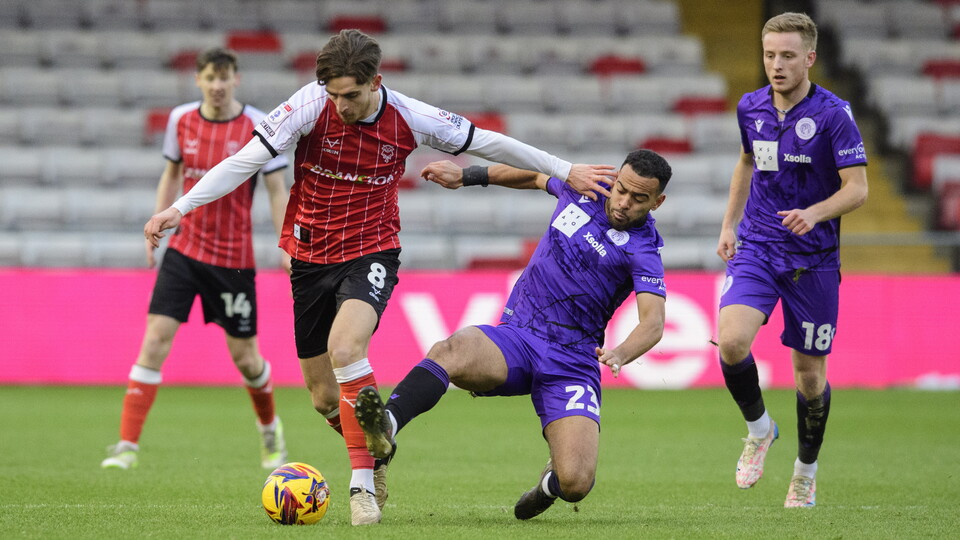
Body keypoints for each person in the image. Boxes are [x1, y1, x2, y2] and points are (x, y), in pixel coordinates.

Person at [143, 29, 615, 526]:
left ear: (376, 82)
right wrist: (179, 208)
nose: (341, 105)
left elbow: (490, 142)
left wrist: (567, 169)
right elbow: (246, 162)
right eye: (333, 95)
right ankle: (379, 449)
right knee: (324, 397)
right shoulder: (307, 105)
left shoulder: (411, 116)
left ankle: (362, 485)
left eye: (351, 95)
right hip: (308, 256)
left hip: (372, 250)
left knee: (347, 348)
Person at [353, 149, 671, 521]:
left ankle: (549, 485)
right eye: (621, 190)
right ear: (614, 179)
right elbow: (534, 175)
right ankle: (385, 432)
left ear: (658, 202)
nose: (623, 203)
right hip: (520, 336)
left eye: (639, 199)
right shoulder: (584, 190)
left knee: (576, 483)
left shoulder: (645, 250)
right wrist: (467, 175)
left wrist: (620, 353)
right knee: (449, 350)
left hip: (573, 362)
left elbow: (653, 323)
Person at [102, 48, 291, 472]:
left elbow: (278, 189)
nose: (218, 85)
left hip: (233, 260)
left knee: (245, 358)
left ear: (236, 79)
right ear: (199, 80)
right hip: (184, 251)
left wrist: (285, 244)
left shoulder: (259, 125)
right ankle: (127, 446)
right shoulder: (181, 120)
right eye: (210, 77)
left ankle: (269, 430)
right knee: (154, 341)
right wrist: (157, 225)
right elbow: (171, 174)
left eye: (225, 77)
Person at [714, 12, 868, 508]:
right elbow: (745, 161)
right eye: (769, 55)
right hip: (759, 245)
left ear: (809, 59)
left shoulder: (833, 114)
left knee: (809, 377)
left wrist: (815, 213)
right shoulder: (750, 107)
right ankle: (760, 430)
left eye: (786, 56)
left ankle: (805, 471)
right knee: (732, 341)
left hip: (814, 259)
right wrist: (729, 224)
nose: (776, 65)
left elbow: (858, 189)